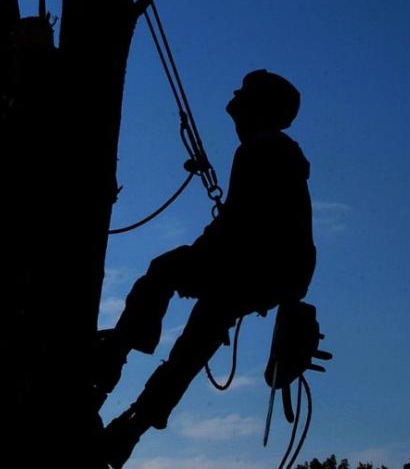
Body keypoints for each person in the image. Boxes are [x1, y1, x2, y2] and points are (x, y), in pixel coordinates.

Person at [95, 69, 318, 469]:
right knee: (197, 340)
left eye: (243, 95)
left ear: (258, 108)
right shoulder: (280, 151)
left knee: (163, 271)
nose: (234, 97)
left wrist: (199, 261)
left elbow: (239, 223)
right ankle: (132, 428)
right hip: (279, 272)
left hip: (255, 263)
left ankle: (111, 363)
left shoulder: (259, 150)